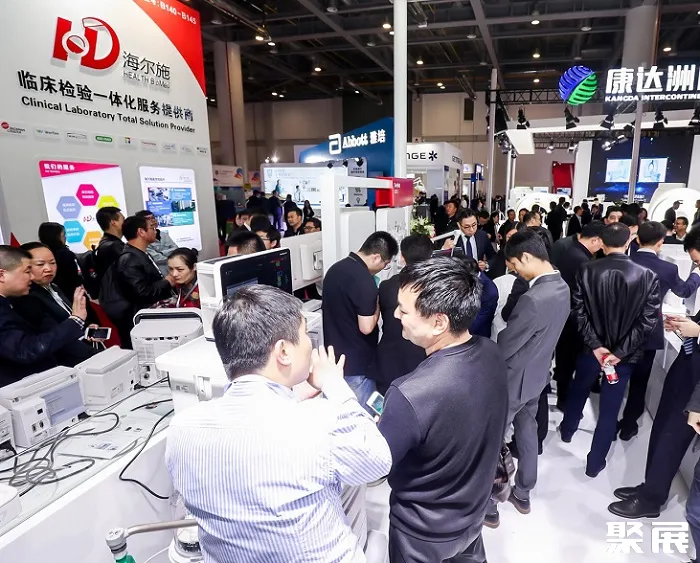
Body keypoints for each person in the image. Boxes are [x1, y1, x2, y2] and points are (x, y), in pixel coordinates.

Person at [166, 286, 391, 562]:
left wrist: (292, 398)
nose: (311, 345)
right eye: (306, 335)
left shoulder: (181, 428)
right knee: (374, 531)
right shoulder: (319, 420)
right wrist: (334, 384)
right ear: (283, 351)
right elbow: (379, 461)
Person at [378, 256, 508, 563]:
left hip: (422, 533)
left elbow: (377, 464)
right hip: (473, 515)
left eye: (404, 310)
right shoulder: (491, 352)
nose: (396, 315)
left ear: (439, 322)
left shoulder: (410, 393)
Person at [560, 223, 660, 477]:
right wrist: (620, 352)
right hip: (623, 358)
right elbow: (647, 322)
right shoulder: (647, 275)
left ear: (602, 243)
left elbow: (577, 312)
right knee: (609, 409)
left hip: (590, 350)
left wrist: (596, 346)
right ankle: (595, 464)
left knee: (579, 389)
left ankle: (567, 430)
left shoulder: (586, 270)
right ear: (628, 243)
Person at [485, 230, 570, 525]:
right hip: (537, 376)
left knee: (492, 438)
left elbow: (508, 343)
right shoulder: (561, 286)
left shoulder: (533, 299)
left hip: (514, 379)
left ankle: (489, 504)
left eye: (514, 266)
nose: (515, 272)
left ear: (526, 257)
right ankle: (523, 492)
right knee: (527, 431)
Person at [617, 222, 700, 441]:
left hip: (620, 332)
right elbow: (684, 290)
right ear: (661, 242)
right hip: (649, 334)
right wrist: (697, 273)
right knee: (639, 383)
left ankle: (608, 424)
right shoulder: (668, 269)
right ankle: (628, 425)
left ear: (637, 239)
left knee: (616, 380)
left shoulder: (623, 262)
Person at [322, 232, 398, 406]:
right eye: (385, 264)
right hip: (357, 365)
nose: (383, 268)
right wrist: (377, 303)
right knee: (359, 414)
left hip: (334, 359)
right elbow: (366, 327)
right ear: (376, 257)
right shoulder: (365, 280)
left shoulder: (335, 269)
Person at [0, 245, 88, 385]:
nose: (32, 277)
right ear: (2, 275)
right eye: (27, 271)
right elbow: (25, 350)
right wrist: (75, 320)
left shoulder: (7, 303)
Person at [10, 242, 99, 366]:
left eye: (52, 263)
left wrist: (86, 327)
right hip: (66, 362)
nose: (48, 268)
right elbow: (52, 335)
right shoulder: (27, 298)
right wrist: (95, 355)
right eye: (40, 264)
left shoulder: (54, 286)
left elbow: (67, 315)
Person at [368, 235, 432, 395]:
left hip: (389, 360)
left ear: (402, 258)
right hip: (424, 361)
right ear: (430, 257)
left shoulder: (386, 286)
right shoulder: (436, 289)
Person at [100, 216, 175, 348]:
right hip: (139, 321)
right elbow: (142, 292)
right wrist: (167, 282)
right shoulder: (130, 259)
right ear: (141, 232)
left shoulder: (139, 254)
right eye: (151, 228)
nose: (155, 231)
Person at [552, 221, 604, 410]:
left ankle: (563, 395)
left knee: (565, 359)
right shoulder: (581, 260)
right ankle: (564, 399)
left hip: (565, 314)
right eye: (601, 242)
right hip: (572, 318)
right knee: (568, 360)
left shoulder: (572, 251)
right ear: (595, 240)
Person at [38, 222, 83, 299]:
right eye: (63, 235)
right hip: (71, 294)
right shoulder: (64, 255)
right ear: (56, 237)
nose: (65, 238)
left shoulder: (41, 253)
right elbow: (73, 278)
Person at [134, 211, 178, 275]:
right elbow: (156, 258)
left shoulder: (164, 235)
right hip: (158, 273)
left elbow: (176, 249)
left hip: (172, 270)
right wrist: (172, 255)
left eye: (153, 217)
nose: (153, 220)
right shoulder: (142, 239)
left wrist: (161, 253)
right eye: (148, 219)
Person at [95, 206, 125, 281]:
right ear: (113, 222)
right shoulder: (114, 246)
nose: (126, 223)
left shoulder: (106, 243)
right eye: (123, 220)